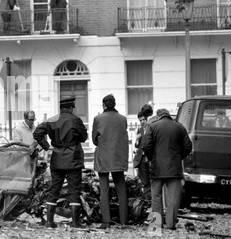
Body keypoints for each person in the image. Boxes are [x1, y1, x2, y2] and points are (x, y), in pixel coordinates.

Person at [33, 97, 88, 228]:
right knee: (74, 190)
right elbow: (84, 137)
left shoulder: (51, 120)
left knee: (54, 189)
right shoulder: (76, 120)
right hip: (73, 159)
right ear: (70, 107)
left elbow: (37, 134)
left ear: (61, 108)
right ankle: (75, 222)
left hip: (57, 158)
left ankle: (49, 222)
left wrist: (47, 146)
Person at [142, 108, 193, 230]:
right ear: (169, 115)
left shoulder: (153, 127)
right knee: (173, 197)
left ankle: (157, 224)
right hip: (174, 168)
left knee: (156, 196)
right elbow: (188, 146)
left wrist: (151, 158)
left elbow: (146, 145)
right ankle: (170, 224)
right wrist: (179, 156)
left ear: (159, 116)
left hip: (157, 167)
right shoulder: (180, 127)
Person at [92, 94, 129, 229]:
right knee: (121, 189)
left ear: (104, 105)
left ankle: (106, 221)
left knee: (104, 190)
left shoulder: (98, 119)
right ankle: (124, 221)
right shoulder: (123, 119)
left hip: (104, 158)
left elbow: (94, 140)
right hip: (119, 157)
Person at [133, 111, 151, 200]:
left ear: (147, 119)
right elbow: (136, 146)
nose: (142, 122)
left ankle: (151, 200)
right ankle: (147, 201)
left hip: (149, 158)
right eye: (140, 120)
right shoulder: (139, 130)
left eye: (144, 119)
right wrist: (137, 139)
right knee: (144, 181)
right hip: (142, 158)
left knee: (151, 180)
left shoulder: (151, 128)